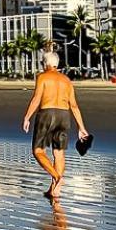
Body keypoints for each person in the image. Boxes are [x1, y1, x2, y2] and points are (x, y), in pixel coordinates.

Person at [22, 49, 89, 198]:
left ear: (46, 64)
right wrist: (81, 128)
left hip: (47, 114)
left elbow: (36, 98)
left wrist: (27, 117)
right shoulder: (66, 80)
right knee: (59, 153)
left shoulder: (43, 77)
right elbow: (74, 106)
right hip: (64, 115)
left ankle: (58, 178)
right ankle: (54, 190)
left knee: (38, 151)